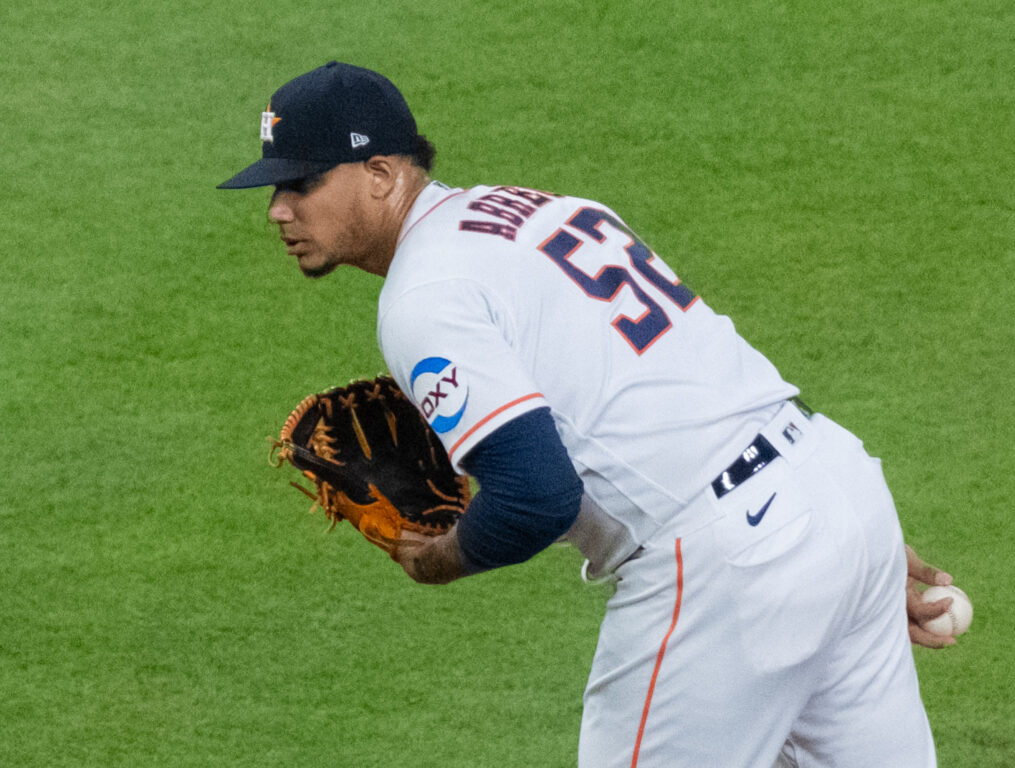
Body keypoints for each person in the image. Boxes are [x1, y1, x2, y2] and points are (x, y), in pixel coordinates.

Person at [220, 61, 958, 767]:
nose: (279, 210)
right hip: (831, 487)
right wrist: (829, 548)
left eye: (302, 182)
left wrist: (436, 559)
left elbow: (537, 497)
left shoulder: (423, 295)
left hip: (724, 569)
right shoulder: (534, 209)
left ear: (381, 174)